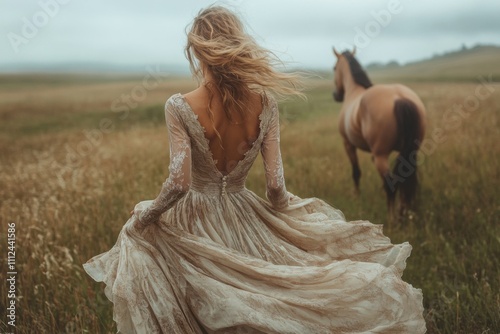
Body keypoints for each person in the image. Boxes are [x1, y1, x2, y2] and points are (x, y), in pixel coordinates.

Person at [83, 5, 425, 333]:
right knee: (266, 295)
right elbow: (276, 186)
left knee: (203, 299)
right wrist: (287, 215)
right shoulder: (266, 105)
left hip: (194, 217)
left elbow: (178, 184)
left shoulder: (178, 106)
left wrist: (146, 215)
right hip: (244, 213)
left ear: (199, 51)